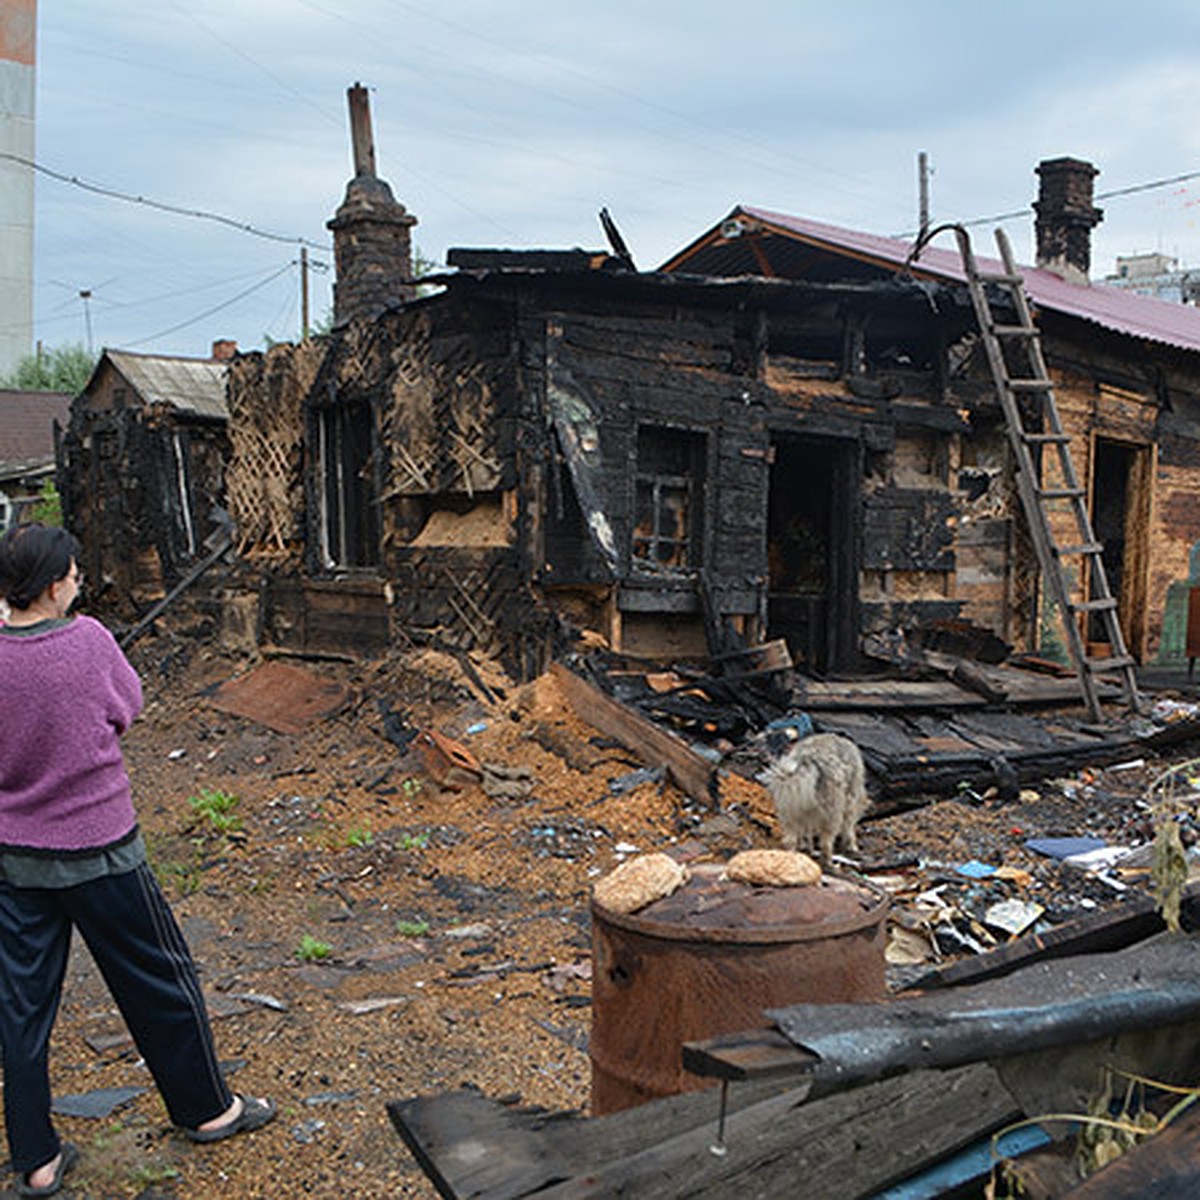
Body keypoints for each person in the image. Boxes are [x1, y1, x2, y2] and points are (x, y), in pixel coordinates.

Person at [0, 524, 275, 1196]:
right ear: (57, 582)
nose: (79, 583)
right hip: (102, 851)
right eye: (75, 573)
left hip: (17, 859)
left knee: (21, 1009)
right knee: (160, 981)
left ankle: (35, 1161)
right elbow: (127, 708)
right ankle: (207, 1111)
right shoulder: (88, 640)